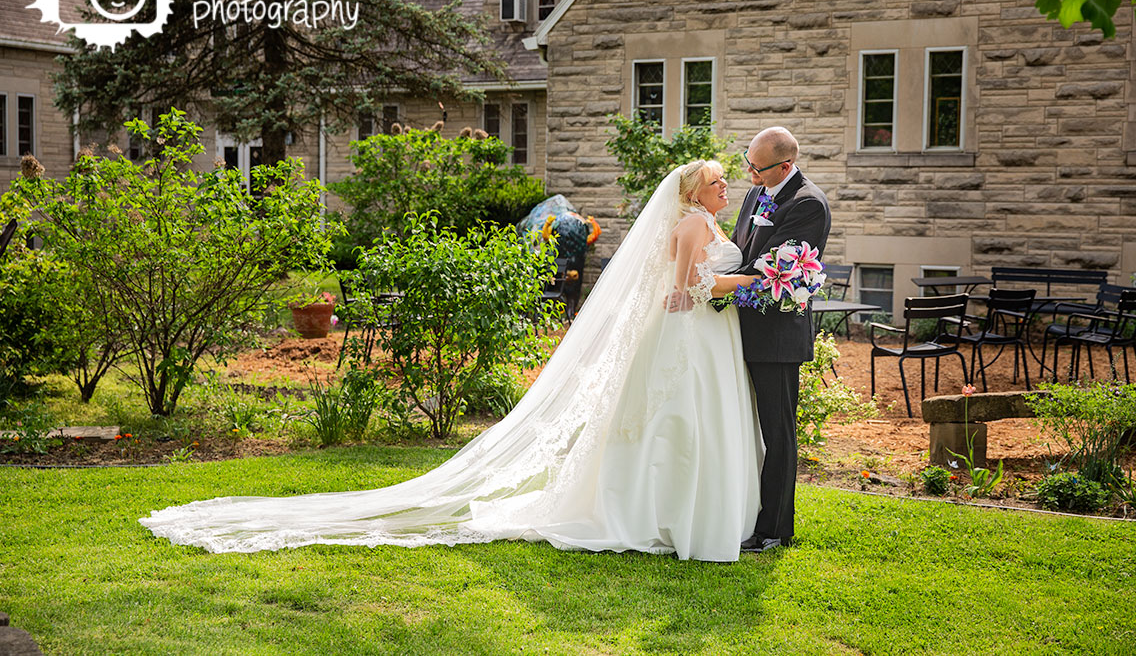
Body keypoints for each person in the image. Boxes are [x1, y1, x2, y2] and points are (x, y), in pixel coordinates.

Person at [140, 161, 764, 562]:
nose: (724, 188)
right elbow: (681, 293)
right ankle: (662, 516)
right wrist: (749, 283)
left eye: (724, 183)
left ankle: (688, 513)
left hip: (706, 339)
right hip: (686, 338)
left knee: (692, 425)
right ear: (691, 190)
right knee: (675, 423)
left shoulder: (708, 223)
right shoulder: (688, 227)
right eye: (716, 182)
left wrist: (744, 281)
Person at [712, 127, 831, 553]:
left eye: (756, 167)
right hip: (742, 330)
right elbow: (747, 253)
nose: (748, 172)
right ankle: (746, 514)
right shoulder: (756, 193)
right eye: (747, 162)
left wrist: (713, 285)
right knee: (747, 429)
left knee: (777, 433)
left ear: (784, 166)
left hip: (777, 337)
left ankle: (775, 529)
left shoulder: (808, 205)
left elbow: (769, 277)